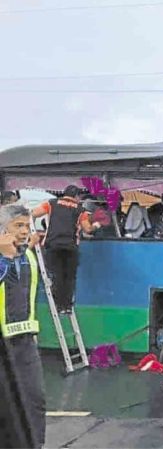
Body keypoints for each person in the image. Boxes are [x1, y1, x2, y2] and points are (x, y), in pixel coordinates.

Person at [0, 205, 46, 448]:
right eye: (18, 226)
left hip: (25, 343)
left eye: (27, 226)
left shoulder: (28, 256)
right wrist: (4, 259)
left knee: (34, 401)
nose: (25, 231)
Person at [31, 185, 101, 314]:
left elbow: (33, 213)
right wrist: (97, 225)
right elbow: (87, 229)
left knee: (57, 275)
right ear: (77, 196)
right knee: (69, 277)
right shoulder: (80, 210)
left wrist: (32, 231)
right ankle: (67, 306)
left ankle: (58, 305)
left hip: (52, 245)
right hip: (70, 246)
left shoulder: (51, 203)